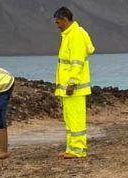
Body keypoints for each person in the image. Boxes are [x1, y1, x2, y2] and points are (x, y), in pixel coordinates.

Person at [53, 6, 95, 159]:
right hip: (68, 88)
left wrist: (72, 83)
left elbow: (77, 63)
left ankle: (78, 149)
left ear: (65, 20)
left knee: (76, 119)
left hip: (74, 88)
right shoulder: (68, 35)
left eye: (58, 22)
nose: (57, 26)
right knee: (70, 119)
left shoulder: (75, 35)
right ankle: (71, 148)